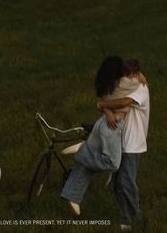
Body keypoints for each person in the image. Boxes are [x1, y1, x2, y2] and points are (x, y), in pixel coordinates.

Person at [60, 57, 147, 220]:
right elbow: (125, 101)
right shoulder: (132, 84)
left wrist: (103, 107)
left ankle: (72, 194)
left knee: (89, 167)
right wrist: (141, 76)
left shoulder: (109, 85)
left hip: (103, 125)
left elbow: (103, 103)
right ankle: (84, 150)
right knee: (113, 163)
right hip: (113, 129)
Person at [98, 60, 150, 230]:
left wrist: (102, 105)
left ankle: (136, 218)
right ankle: (126, 218)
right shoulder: (125, 85)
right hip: (118, 141)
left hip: (132, 144)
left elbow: (121, 103)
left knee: (126, 181)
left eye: (132, 73)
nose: (129, 77)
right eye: (125, 73)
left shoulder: (141, 89)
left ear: (137, 73)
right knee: (118, 183)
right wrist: (105, 109)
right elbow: (109, 98)